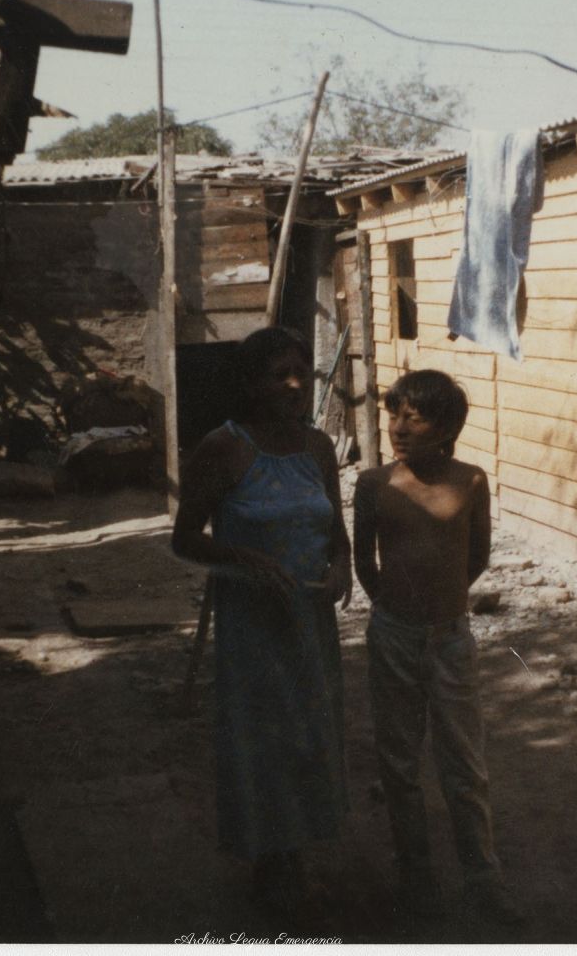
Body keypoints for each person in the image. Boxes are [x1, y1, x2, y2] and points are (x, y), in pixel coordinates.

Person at [172, 326, 351, 914]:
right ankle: (269, 866)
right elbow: (184, 538)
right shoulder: (224, 448)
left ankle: (295, 858)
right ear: (251, 384)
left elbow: (336, 531)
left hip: (310, 621)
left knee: (309, 734)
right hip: (253, 623)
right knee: (263, 739)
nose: (296, 385)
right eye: (280, 375)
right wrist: (243, 559)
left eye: (302, 373)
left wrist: (342, 569)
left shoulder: (318, 447)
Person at [353, 368, 521, 925]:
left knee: (464, 763)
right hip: (393, 637)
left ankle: (484, 878)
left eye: (415, 418)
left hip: (450, 640)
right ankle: (416, 873)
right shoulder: (374, 484)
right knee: (399, 761)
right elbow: (364, 561)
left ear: (446, 427)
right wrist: (394, 607)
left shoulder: (470, 481)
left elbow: (477, 557)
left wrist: (441, 604)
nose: (399, 428)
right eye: (393, 415)